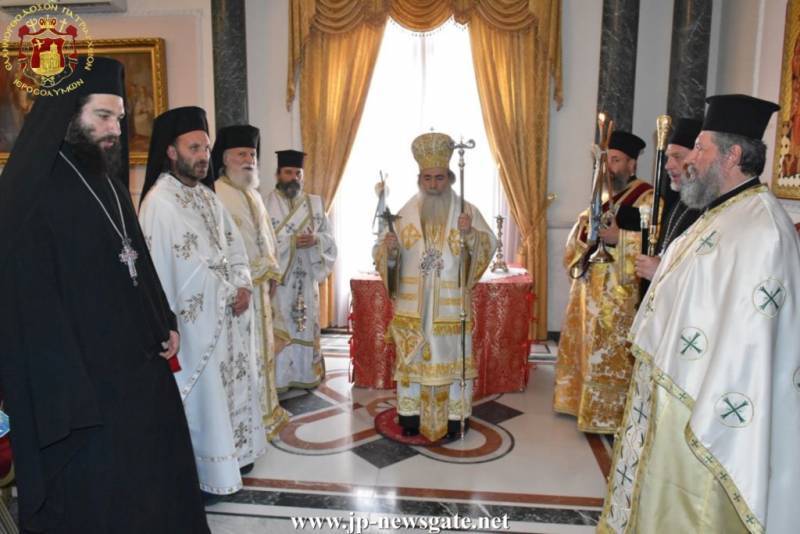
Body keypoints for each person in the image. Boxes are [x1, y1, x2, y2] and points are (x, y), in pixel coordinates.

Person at [0, 57, 209, 532]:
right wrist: (69, 381)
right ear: (69, 112)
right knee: (99, 495)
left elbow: (137, 263)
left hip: (137, 369)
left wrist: (166, 321)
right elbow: (28, 301)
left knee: (153, 478)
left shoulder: (109, 184)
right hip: (80, 383)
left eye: (118, 116)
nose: (115, 128)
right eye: (102, 116)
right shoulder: (31, 192)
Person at [599, 95, 800, 533]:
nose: (691, 161)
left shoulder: (762, 228)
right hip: (679, 390)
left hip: (705, 406)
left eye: (701, 149)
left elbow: (752, 344)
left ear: (731, 155)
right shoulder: (722, 213)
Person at [139, 107, 267, 501]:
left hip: (228, 311)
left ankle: (237, 454)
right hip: (197, 323)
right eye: (194, 147)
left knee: (232, 387)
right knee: (204, 395)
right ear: (171, 151)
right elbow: (185, 269)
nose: (203, 156)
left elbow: (235, 247)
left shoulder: (206, 196)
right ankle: (208, 471)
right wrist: (229, 291)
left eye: (206, 148)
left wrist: (243, 281)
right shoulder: (161, 202)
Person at [373, 132, 497, 441]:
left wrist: (470, 237)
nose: (433, 184)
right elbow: (385, 256)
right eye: (427, 178)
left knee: (449, 361)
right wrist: (389, 250)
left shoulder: (466, 212)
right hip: (414, 307)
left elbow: (487, 245)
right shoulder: (406, 213)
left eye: (439, 178)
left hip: (449, 307)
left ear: (450, 177)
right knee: (413, 360)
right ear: (420, 178)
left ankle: (454, 419)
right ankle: (410, 416)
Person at [554, 130, 653, 434]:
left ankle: (606, 415)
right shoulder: (606, 195)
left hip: (618, 296)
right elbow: (578, 238)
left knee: (607, 353)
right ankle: (580, 402)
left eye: (617, 160)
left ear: (632, 165)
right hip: (589, 289)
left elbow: (654, 245)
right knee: (586, 346)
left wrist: (619, 238)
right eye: (607, 160)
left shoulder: (646, 197)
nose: (611, 166)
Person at [212, 124, 290, 440]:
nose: (249, 160)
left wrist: (271, 275)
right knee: (244, 355)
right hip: (238, 292)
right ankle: (248, 416)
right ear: (225, 158)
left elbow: (266, 238)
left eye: (253, 154)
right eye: (241, 154)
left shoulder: (255, 195)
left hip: (261, 288)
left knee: (263, 352)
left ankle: (267, 410)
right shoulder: (216, 193)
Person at [264, 150, 337, 390]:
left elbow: (330, 239)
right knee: (283, 322)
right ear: (278, 174)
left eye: (298, 173)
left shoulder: (315, 203)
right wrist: (291, 242)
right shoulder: (266, 204)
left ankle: (306, 373)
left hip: (306, 277)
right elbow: (262, 243)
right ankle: (282, 378)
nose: (293, 177)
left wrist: (316, 239)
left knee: (306, 323)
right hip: (280, 281)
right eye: (288, 172)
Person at [635, 118, 704, 281]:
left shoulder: (709, 208)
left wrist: (662, 273)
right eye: (668, 157)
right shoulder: (681, 201)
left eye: (677, 157)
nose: (667, 165)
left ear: (697, 158)